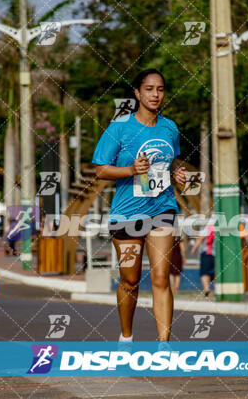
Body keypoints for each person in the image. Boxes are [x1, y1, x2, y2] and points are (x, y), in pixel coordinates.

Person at [92, 69, 186, 350]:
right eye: (149, 89)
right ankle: (126, 337)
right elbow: (100, 170)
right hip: (127, 214)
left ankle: (164, 345)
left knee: (160, 277)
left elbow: (174, 161)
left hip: (162, 209)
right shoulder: (119, 128)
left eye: (160, 89)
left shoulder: (169, 127)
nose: (155, 95)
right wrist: (130, 169)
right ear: (137, 93)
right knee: (129, 281)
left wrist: (179, 174)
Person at [191, 223, 215, 297]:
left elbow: (200, 239)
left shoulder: (206, 229)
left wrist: (194, 249)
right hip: (216, 254)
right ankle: (217, 289)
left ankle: (206, 288)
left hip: (206, 252)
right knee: (215, 273)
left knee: (204, 272)